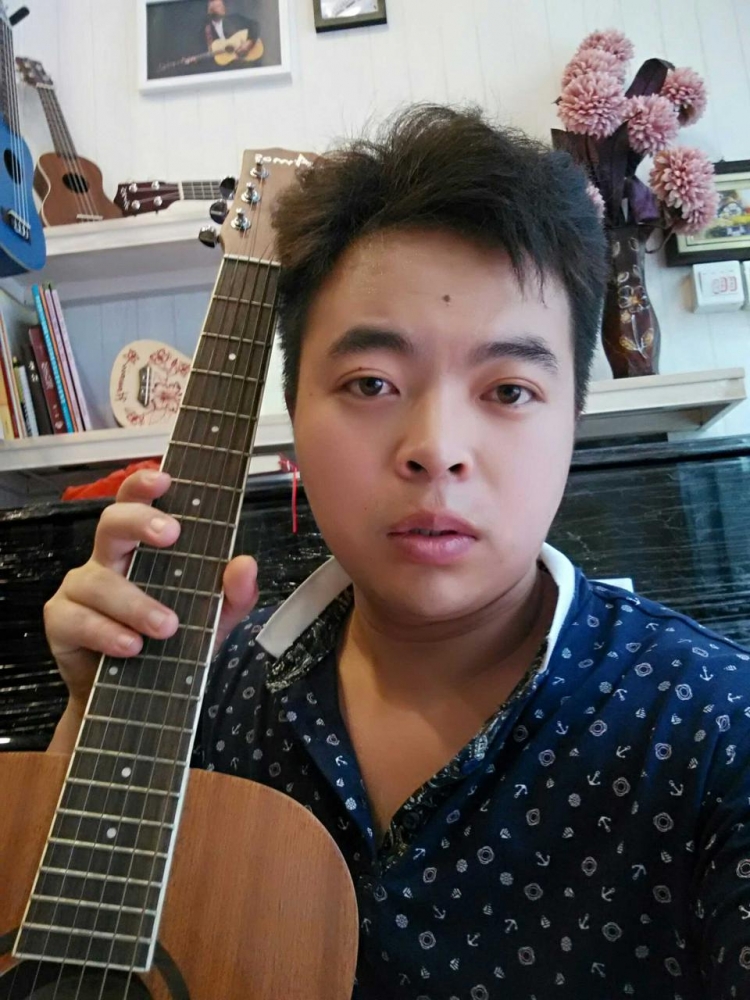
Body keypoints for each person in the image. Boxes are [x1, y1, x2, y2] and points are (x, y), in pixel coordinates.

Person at [45, 105, 750, 998]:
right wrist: (94, 715)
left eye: (509, 390)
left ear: (574, 418)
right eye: (372, 382)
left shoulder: (718, 728)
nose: (436, 448)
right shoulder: (204, 690)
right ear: (295, 414)